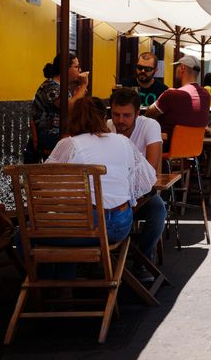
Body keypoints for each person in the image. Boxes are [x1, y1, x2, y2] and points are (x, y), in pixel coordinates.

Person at [42, 97, 156, 278]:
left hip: (85, 226)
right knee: (67, 225)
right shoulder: (122, 142)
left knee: (23, 235)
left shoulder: (69, 144)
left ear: (72, 119)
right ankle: (64, 286)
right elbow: (148, 180)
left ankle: (50, 288)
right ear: (104, 118)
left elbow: (45, 189)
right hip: (120, 224)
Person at [107, 88, 166, 276]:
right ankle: (106, 262)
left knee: (158, 210)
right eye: (116, 114)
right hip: (112, 195)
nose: (120, 120)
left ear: (137, 114)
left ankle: (142, 259)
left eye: (126, 115)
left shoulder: (149, 126)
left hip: (141, 192)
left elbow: (150, 167)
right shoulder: (107, 127)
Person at [27, 52, 89, 162]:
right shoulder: (50, 87)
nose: (79, 70)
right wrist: (83, 86)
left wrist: (76, 95)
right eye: (76, 66)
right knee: (81, 144)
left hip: (60, 133)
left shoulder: (62, 88)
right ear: (65, 69)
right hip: (48, 135)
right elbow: (68, 108)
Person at [146, 55, 211, 141]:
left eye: (177, 67)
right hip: (194, 148)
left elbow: (149, 114)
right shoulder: (206, 95)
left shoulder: (172, 94)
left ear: (182, 68)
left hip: (166, 147)